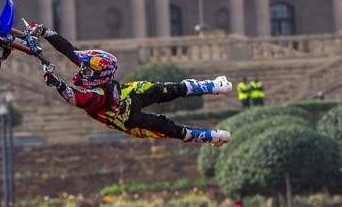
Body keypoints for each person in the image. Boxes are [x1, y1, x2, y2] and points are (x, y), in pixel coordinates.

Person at [30, 25, 232, 146]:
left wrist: (57, 83)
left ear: (99, 75)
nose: (82, 71)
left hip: (128, 119)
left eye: (86, 70)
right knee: (169, 94)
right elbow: (69, 50)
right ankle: (216, 90)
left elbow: (77, 99)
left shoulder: (98, 95)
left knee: (170, 128)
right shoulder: (97, 73)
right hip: (130, 95)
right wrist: (44, 32)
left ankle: (213, 133)